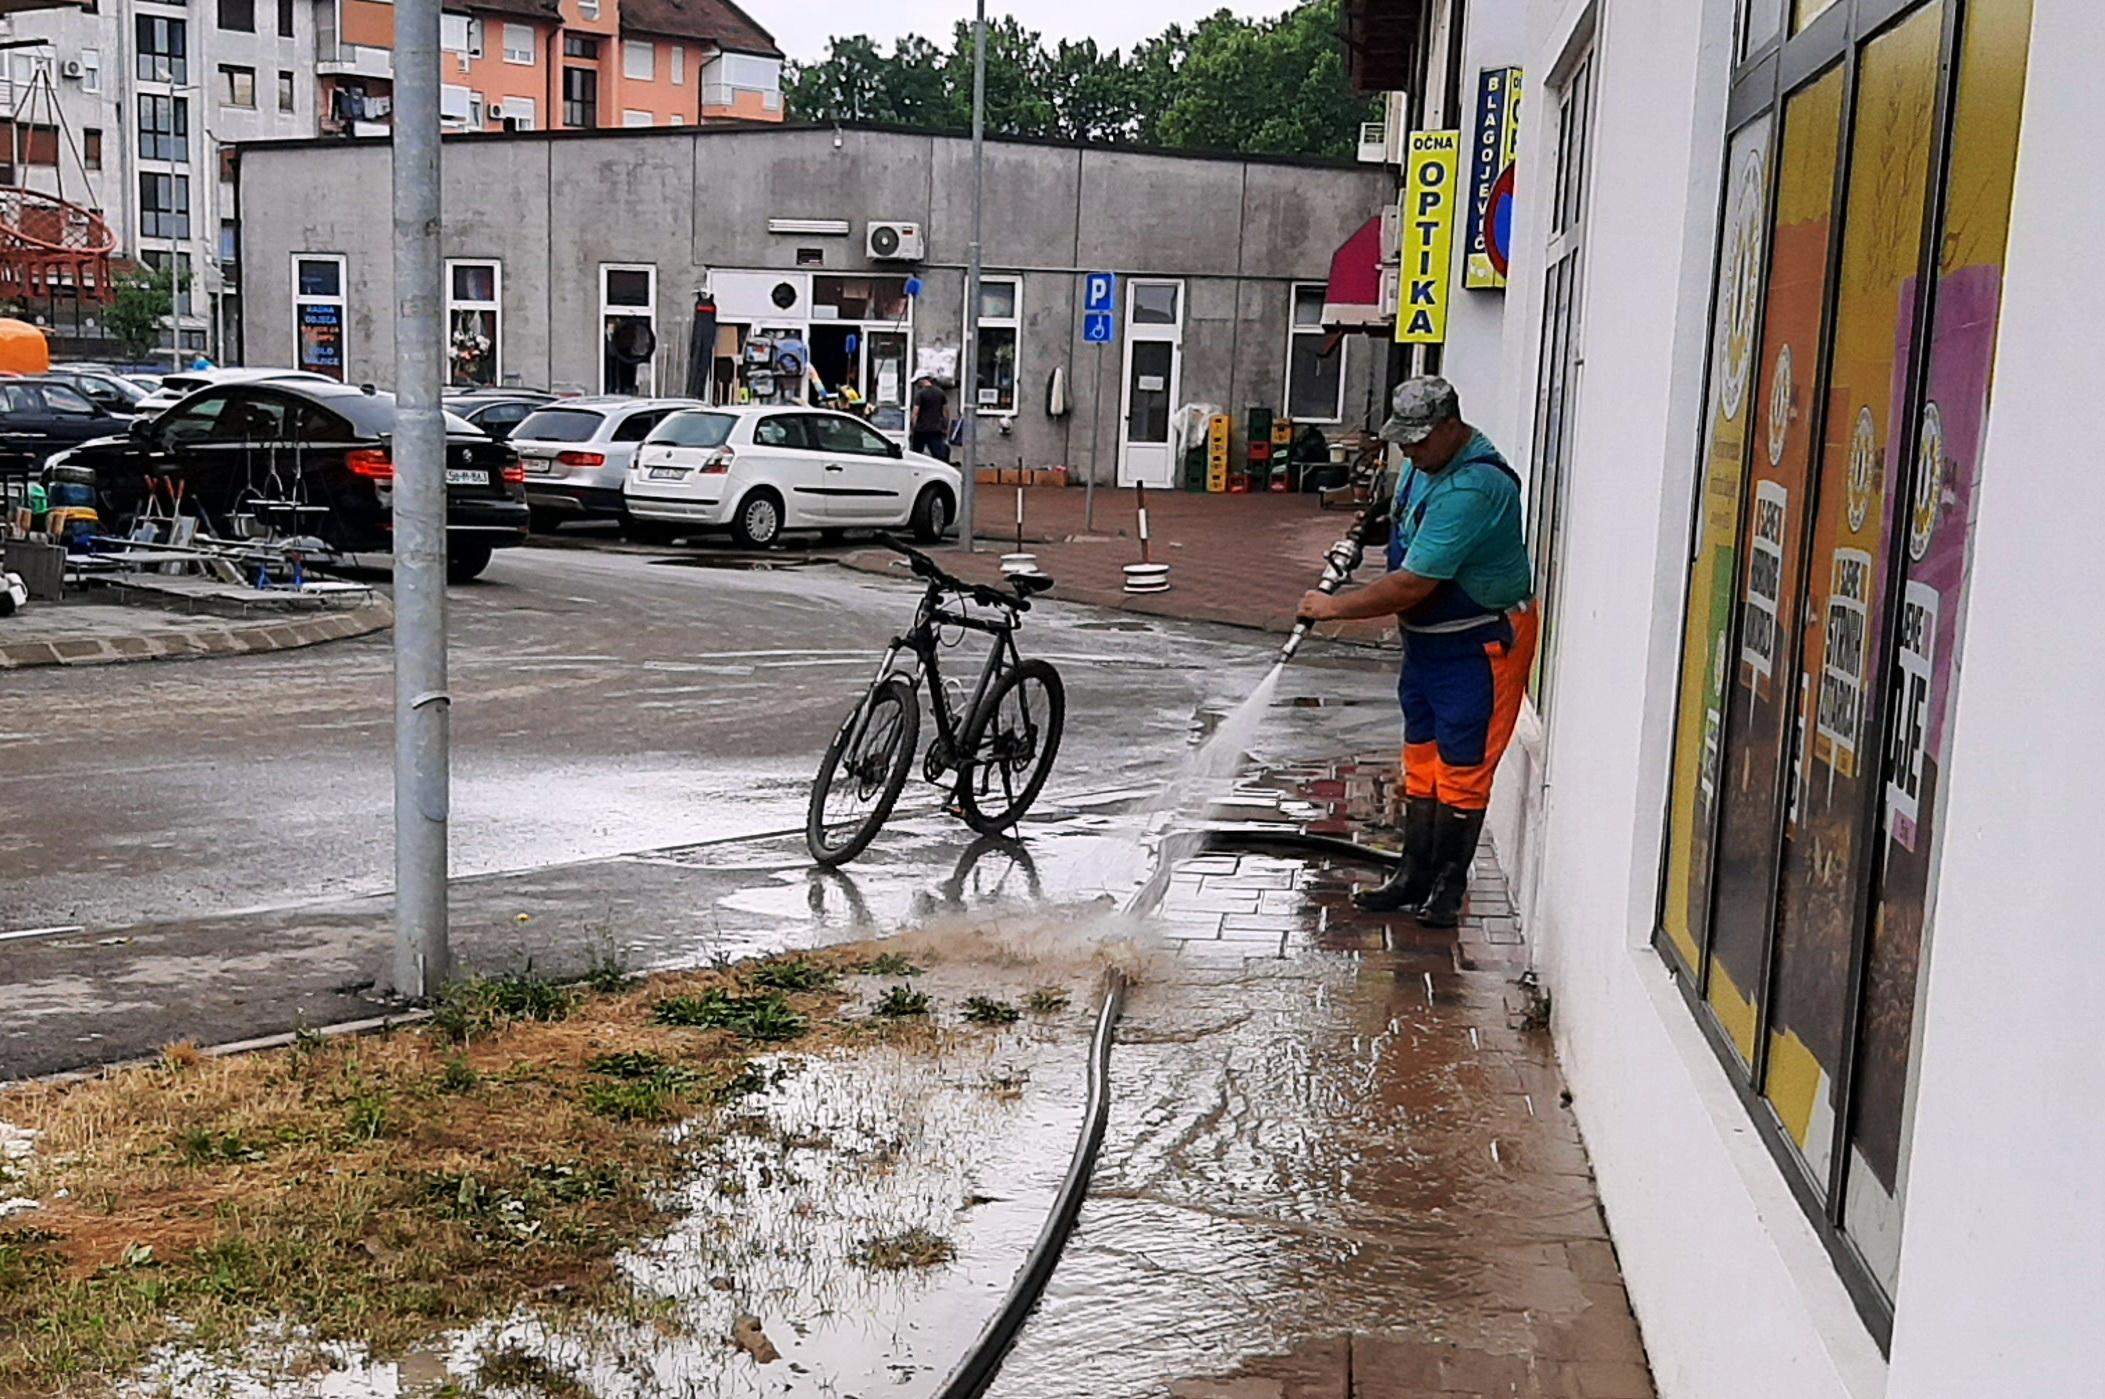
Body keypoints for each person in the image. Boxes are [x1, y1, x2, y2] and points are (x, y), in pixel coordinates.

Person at [1297, 376, 1536, 928]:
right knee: (1423, 761)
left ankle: (1448, 889)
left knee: (1464, 767)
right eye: (1401, 442)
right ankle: (1413, 874)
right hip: (1429, 646)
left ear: (1451, 427)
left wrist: (1332, 608)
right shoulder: (1423, 465)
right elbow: (1405, 514)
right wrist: (1375, 527)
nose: (1408, 451)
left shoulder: (1474, 488)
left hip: (1481, 644)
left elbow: (1412, 586)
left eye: (1417, 441)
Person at [911, 377, 952, 461]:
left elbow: (915, 413)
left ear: (922, 381)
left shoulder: (920, 394)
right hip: (936, 429)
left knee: (916, 455)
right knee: (938, 455)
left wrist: (912, 427)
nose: (917, 385)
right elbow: (946, 412)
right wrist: (945, 427)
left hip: (921, 429)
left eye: (917, 383)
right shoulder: (940, 392)